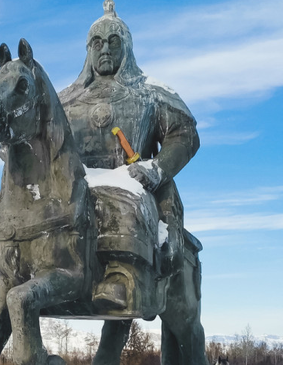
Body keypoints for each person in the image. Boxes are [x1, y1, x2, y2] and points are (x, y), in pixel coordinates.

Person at [59, 0, 201, 308]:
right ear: (87, 49)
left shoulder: (149, 93)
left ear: (127, 48)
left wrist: (157, 169)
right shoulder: (64, 102)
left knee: (124, 203)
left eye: (114, 42)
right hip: (76, 187)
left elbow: (184, 134)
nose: (105, 50)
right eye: (97, 43)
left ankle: (126, 278)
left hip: (133, 180)